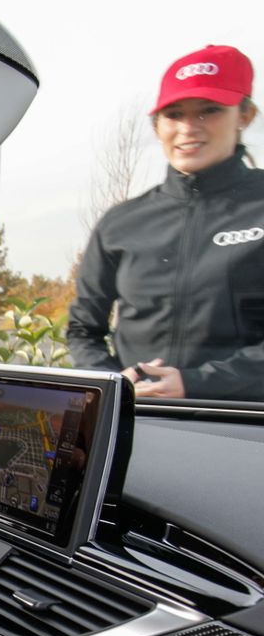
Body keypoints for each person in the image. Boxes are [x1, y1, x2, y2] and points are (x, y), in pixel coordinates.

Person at [67, 44, 264, 400]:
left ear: (245, 115)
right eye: (174, 114)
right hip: (140, 419)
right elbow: (83, 330)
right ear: (157, 126)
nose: (188, 128)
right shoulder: (121, 223)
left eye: (209, 110)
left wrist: (197, 383)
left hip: (243, 424)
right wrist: (113, 385)